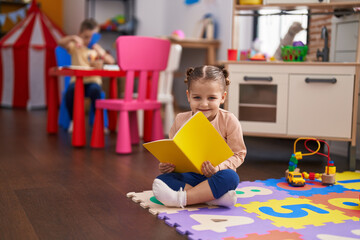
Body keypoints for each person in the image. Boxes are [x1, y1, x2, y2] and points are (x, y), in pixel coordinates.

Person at [152, 65, 246, 208]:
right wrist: (167, 165)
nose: (203, 104)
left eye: (211, 98)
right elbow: (174, 151)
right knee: (161, 180)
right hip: (190, 176)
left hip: (217, 176)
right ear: (188, 96)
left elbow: (238, 154)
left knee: (231, 178)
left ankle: (183, 199)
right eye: (197, 97)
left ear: (222, 97)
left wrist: (218, 167)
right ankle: (213, 198)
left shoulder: (229, 120)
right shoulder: (180, 120)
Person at [57, 18, 115, 131]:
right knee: (70, 93)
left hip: (93, 82)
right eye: (86, 36)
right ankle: (73, 121)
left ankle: (99, 123)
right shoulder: (76, 47)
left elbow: (111, 61)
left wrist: (102, 54)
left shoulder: (96, 49)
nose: (88, 40)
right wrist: (73, 38)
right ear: (80, 34)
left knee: (96, 92)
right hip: (77, 82)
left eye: (92, 37)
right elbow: (60, 43)